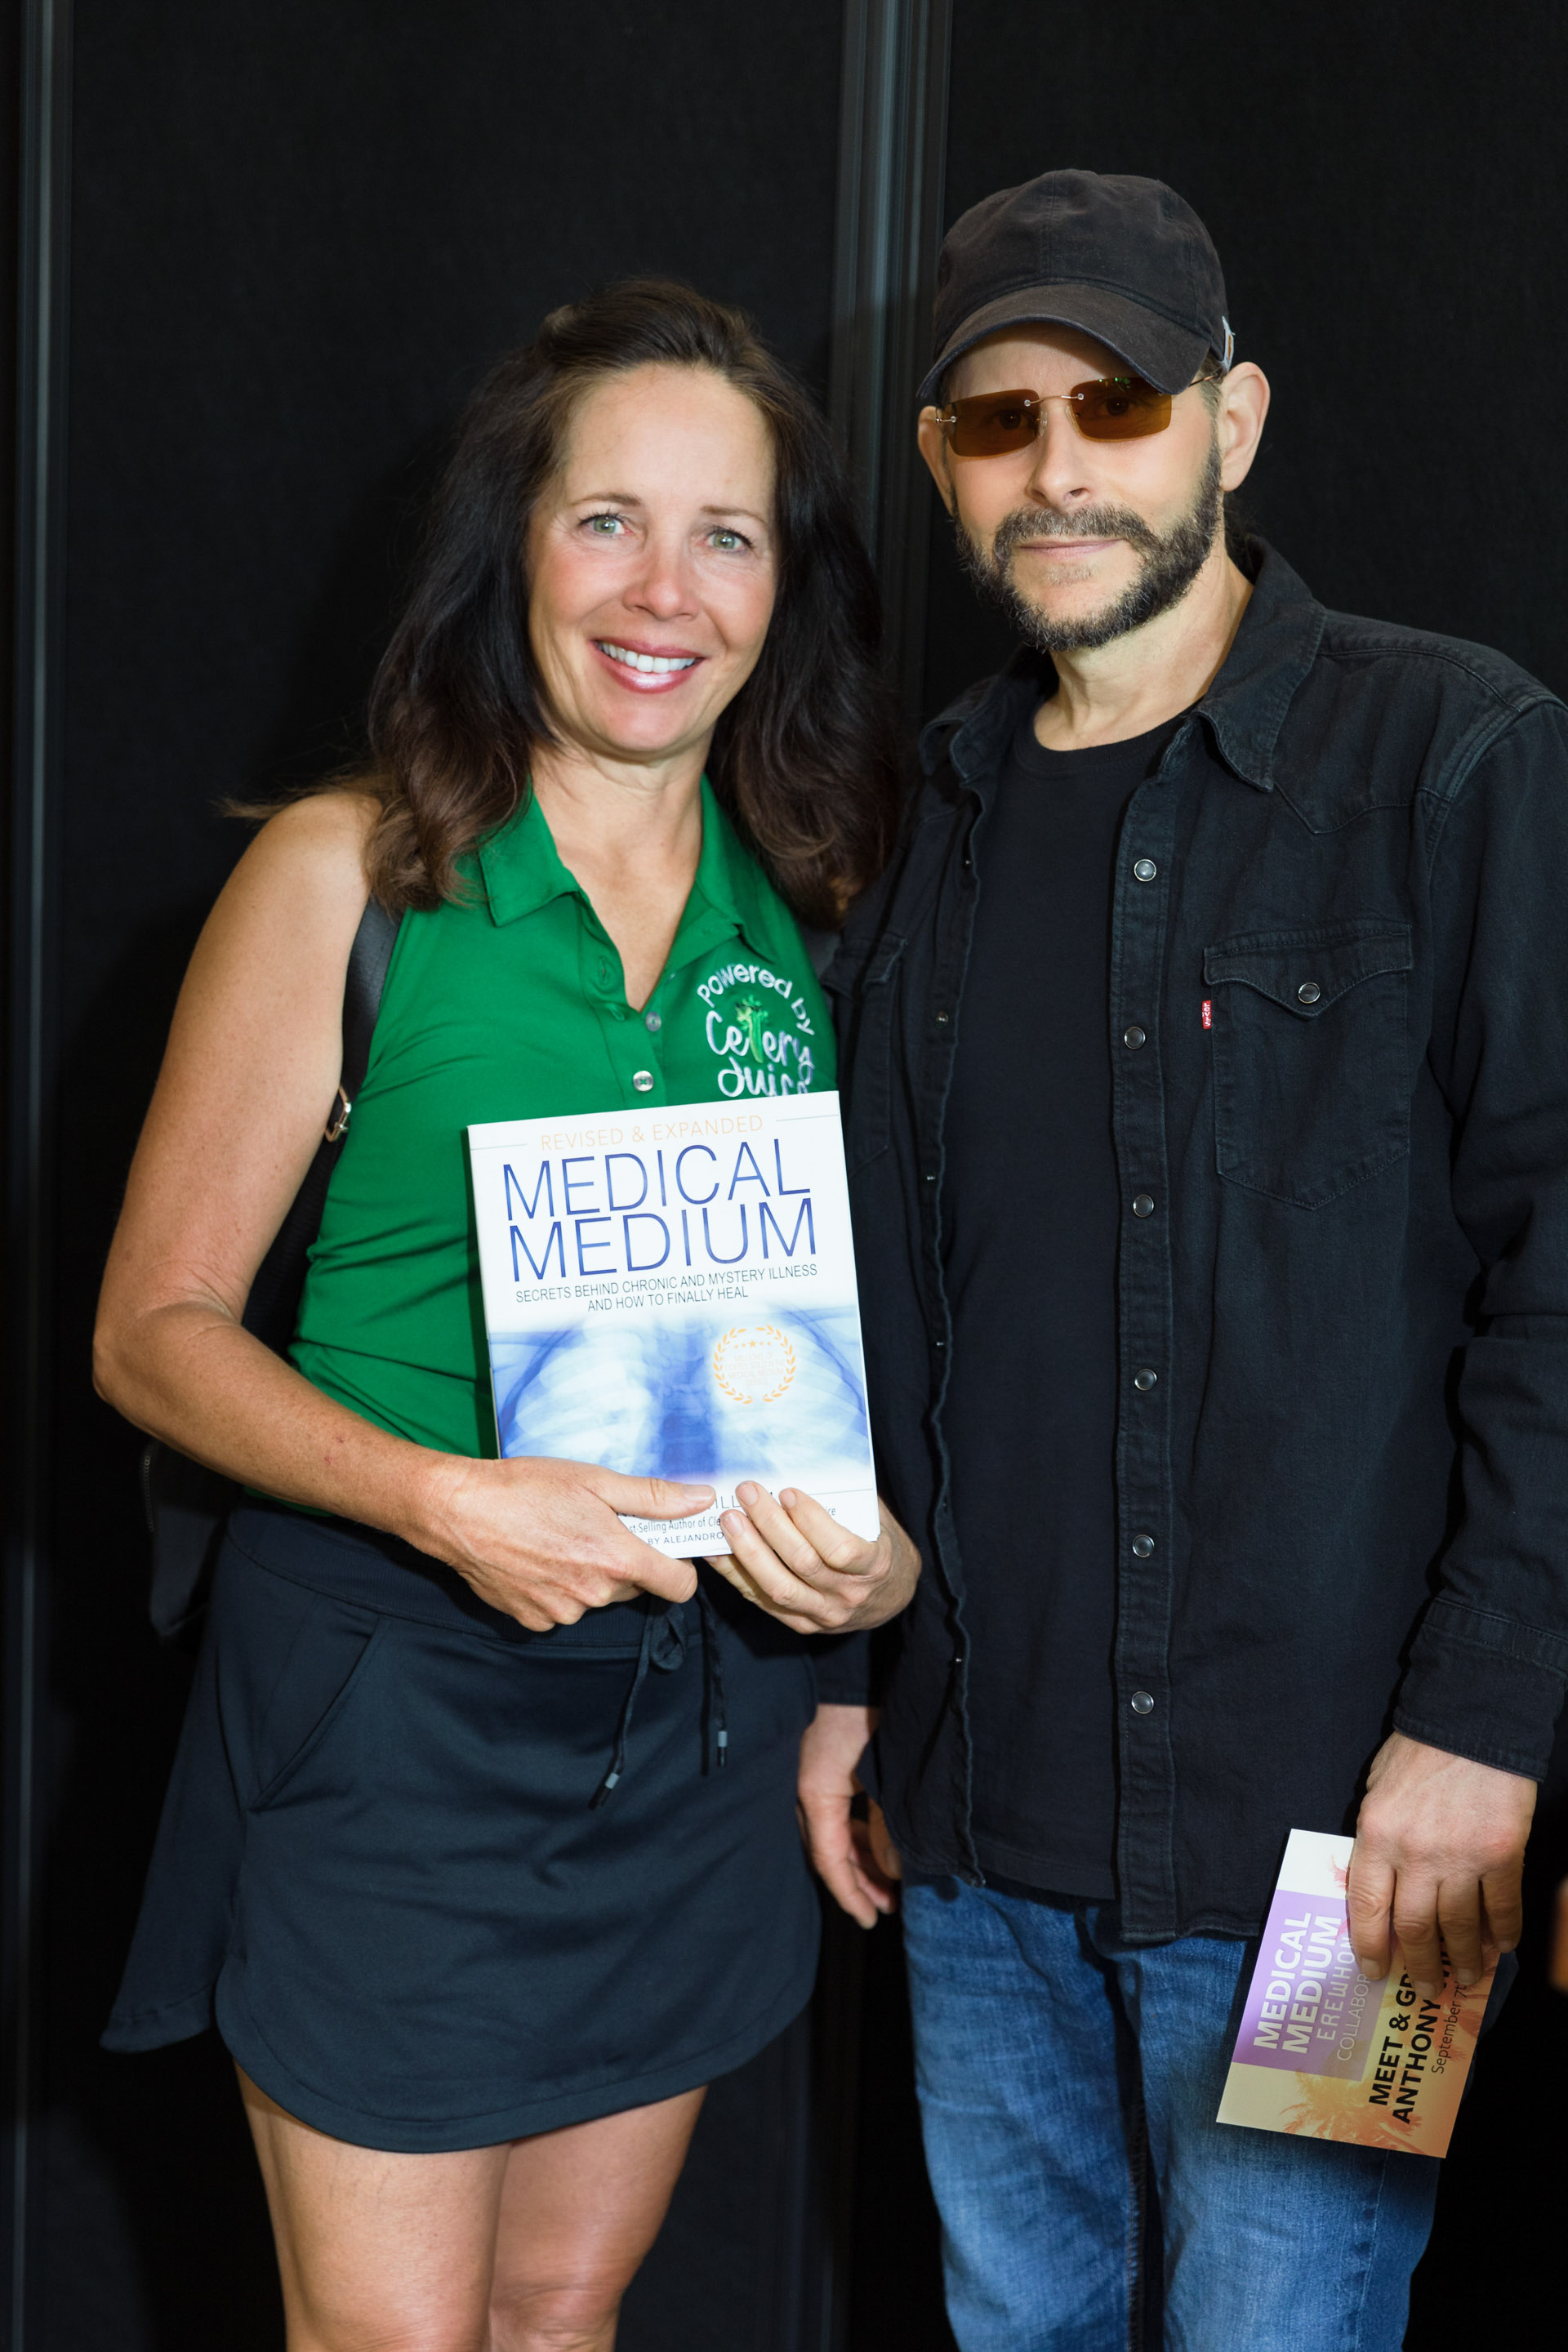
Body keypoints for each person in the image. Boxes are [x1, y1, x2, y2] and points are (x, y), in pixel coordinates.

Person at [96, 278, 919, 2352]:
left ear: (782, 588)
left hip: (694, 1730)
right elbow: (152, 1332)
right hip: (393, 1719)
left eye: (726, 536)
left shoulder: (814, 909)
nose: (665, 592)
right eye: (606, 521)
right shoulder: (352, 872)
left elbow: (858, 1342)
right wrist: (446, 1500)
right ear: (514, 547)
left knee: (562, 2311)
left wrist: (860, 1596)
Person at [800, 167, 1565, 2346]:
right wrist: (849, 1689)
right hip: (970, 1850)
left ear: (1232, 421)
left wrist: (1490, 1726)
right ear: (943, 462)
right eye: (997, 419)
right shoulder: (920, 825)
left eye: (1117, 404)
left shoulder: (1460, 758)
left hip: (1361, 1870)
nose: (1057, 467)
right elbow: (883, 1307)